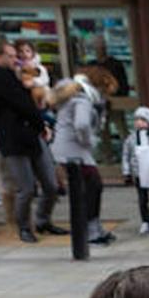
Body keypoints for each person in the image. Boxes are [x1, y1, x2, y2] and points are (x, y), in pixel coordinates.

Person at [0, 37, 62, 244]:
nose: (15, 59)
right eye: (10, 56)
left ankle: (43, 220)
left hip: (32, 135)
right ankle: (23, 227)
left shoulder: (14, 74)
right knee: (27, 188)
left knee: (51, 184)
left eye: (15, 56)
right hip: (14, 140)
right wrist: (41, 124)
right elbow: (23, 105)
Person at [49, 75, 112, 245]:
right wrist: (87, 141)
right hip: (75, 151)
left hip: (63, 149)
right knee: (93, 188)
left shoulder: (67, 100)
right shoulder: (81, 100)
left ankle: (91, 228)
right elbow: (82, 125)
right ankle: (91, 230)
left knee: (84, 190)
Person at [121, 106, 149, 233]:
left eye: (143, 120)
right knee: (142, 198)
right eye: (137, 119)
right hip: (139, 173)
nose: (138, 122)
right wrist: (126, 172)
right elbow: (126, 156)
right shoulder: (131, 139)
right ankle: (145, 220)